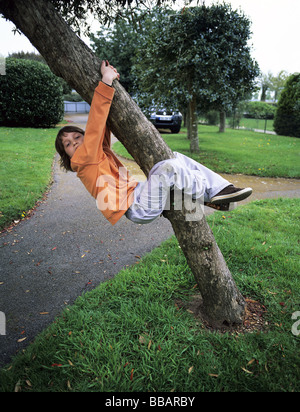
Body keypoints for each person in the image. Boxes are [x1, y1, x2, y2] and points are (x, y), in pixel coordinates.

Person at [55, 61, 252, 226]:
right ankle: (208, 194)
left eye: (77, 137)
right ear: (67, 155)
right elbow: (96, 123)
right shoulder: (83, 160)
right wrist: (106, 81)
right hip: (137, 207)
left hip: (139, 193)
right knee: (168, 168)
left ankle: (221, 190)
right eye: (68, 144)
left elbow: (102, 126)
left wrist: (111, 87)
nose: (74, 142)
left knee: (175, 158)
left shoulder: (94, 155)